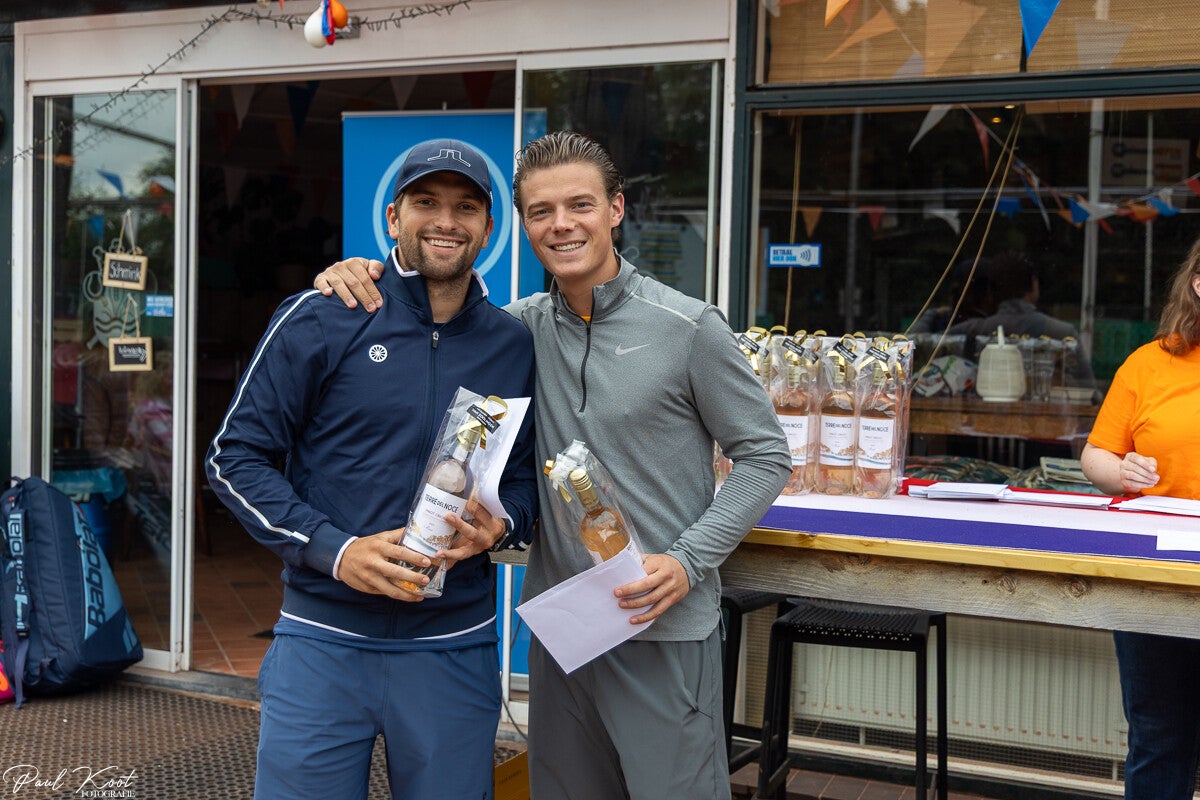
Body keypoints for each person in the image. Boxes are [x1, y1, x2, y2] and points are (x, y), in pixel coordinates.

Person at [316, 130, 791, 800]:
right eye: (541, 211)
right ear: (522, 224)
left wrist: (688, 561)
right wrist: (356, 275)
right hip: (564, 629)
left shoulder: (688, 328)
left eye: (580, 205)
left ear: (616, 209)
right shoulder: (516, 332)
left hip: (660, 625)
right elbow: (429, 320)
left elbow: (766, 455)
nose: (561, 224)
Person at [205, 138, 538, 800]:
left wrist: (501, 525)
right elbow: (234, 456)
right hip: (323, 640)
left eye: (466, 207)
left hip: (454, 644)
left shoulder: (512, 344)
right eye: (426, 202)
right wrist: (334, 550)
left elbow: (525, 481)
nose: (446, 221)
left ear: (488, 229)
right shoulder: (324, 316)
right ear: (393, 218)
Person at [1080, 239, 1200, 800]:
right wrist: (1120, 471)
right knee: (1157, 735)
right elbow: (1095, 456)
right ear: (1197, 283)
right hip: (1153, 572)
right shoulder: (1149, 363)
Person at [948, 252, 1096, 387]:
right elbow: (1089, 392)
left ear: (991, 291)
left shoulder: (964, 334)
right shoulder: (1063, 333)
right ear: (1033, 284)